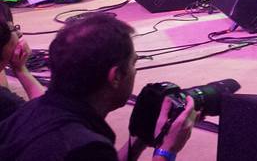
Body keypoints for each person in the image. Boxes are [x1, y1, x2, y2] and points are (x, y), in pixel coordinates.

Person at [0, 14, 196, 160]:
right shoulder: (83, 148)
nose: (135, 72)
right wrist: (166, 151)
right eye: (133, 63)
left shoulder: (28, 113)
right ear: (116, 76)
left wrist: (138, 142)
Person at [0, 3, 44, 122]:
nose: (20, 34)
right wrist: (21, 70)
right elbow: (49, 118)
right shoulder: (7, 104)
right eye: (13, 28)